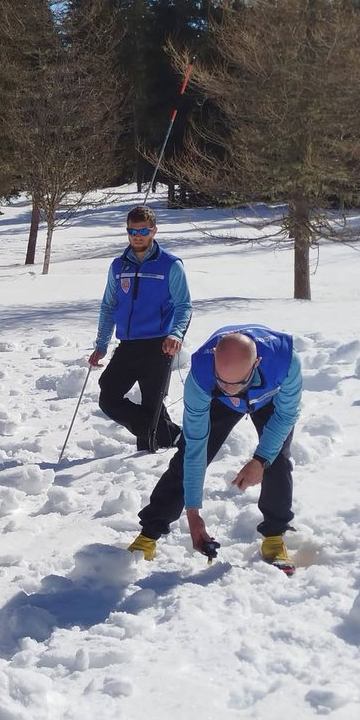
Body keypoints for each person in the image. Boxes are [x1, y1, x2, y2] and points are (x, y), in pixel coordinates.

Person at [128, 324, 303, 574]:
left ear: (257, 363)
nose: (230, 389)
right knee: (185, 458)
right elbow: (195, 448)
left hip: (270, 399)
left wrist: (260, 460)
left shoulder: (285, 362)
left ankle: (274, 537)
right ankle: (148, 535)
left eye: (236, 383)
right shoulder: (202, 376)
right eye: (224, 381)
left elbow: (286, 416)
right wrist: (193, 513)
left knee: (277, 460)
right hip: (218, 400)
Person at [89, 205, 192, 452]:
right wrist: (101, 345)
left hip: (158, 346)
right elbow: (109, 306)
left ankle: (149, 456)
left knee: (152, 403)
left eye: (143, 230)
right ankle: (173, 436)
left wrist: (175, 334)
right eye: (132, 231)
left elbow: (184, 305)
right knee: (109, 397)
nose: (138, 235)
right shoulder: (118, 266)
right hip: (128, 344)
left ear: (153, 230)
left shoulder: (170, 264)